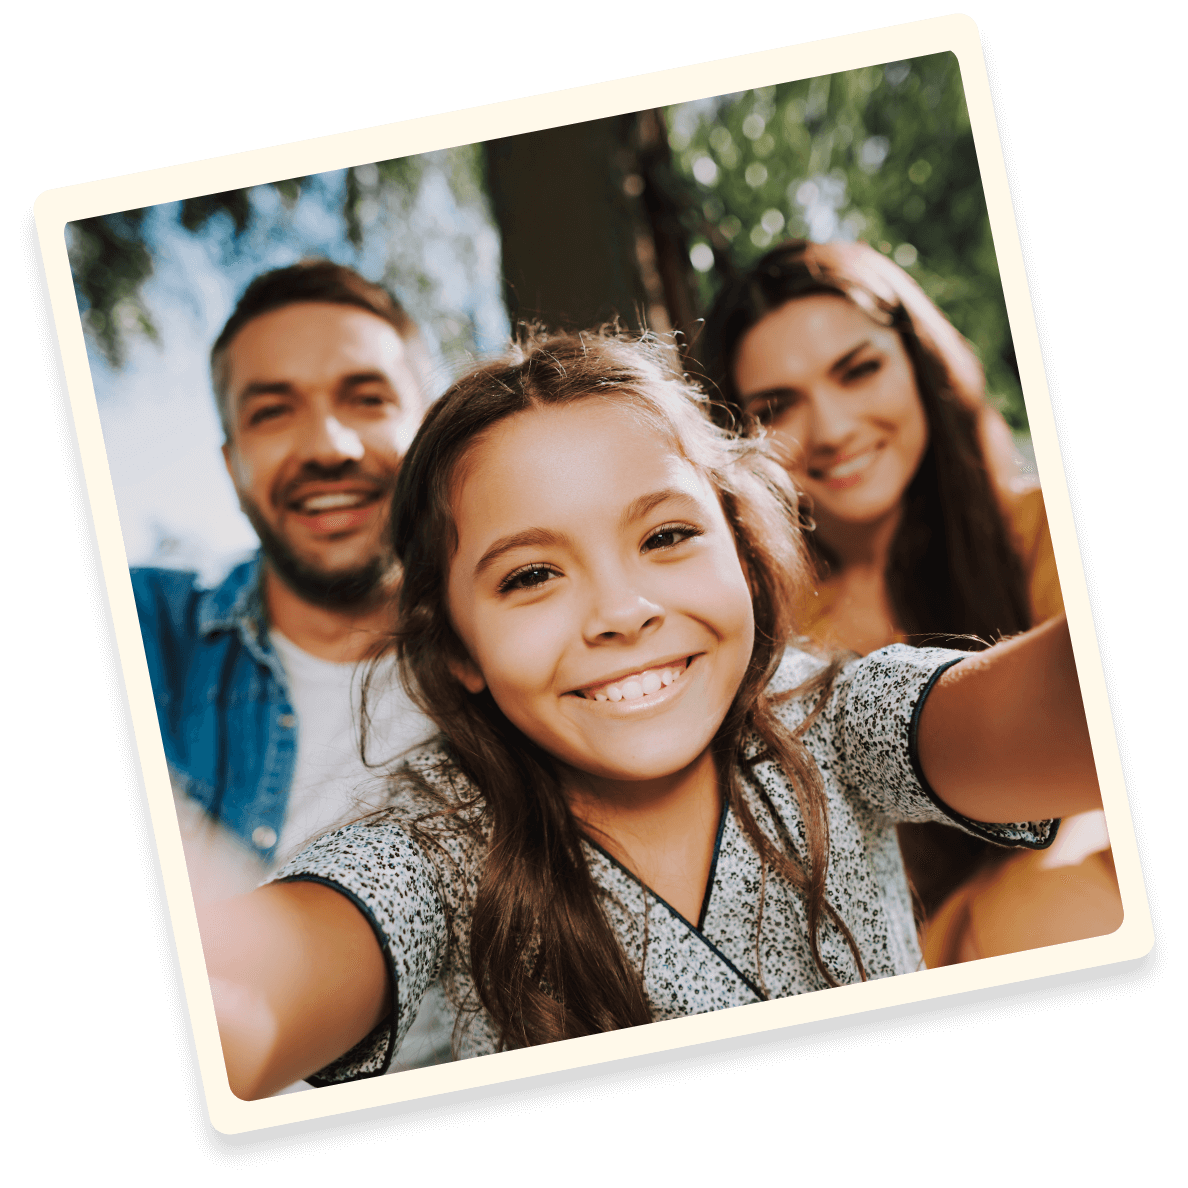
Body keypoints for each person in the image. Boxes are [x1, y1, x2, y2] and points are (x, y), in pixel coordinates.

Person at [194, 331, 1103, 1099]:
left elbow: (1057, 707)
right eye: (531, 576)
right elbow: (260, 992)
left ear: (743, 556)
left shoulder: (839, 719)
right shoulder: (437, 847)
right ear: (458, 652)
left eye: (666, 536)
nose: (622, 612)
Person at [699, 239, 1121, 961]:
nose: (831, 430)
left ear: (919, 364)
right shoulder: (760, 643)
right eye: (778, 406)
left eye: (858, 371)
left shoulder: (1045, 531)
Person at [130, 260, 450, 1072]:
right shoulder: (149, 634)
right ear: (233, 462)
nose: (329, 446)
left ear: (430, 427)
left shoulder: (533, 646)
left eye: (367, 398)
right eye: (274, 412)